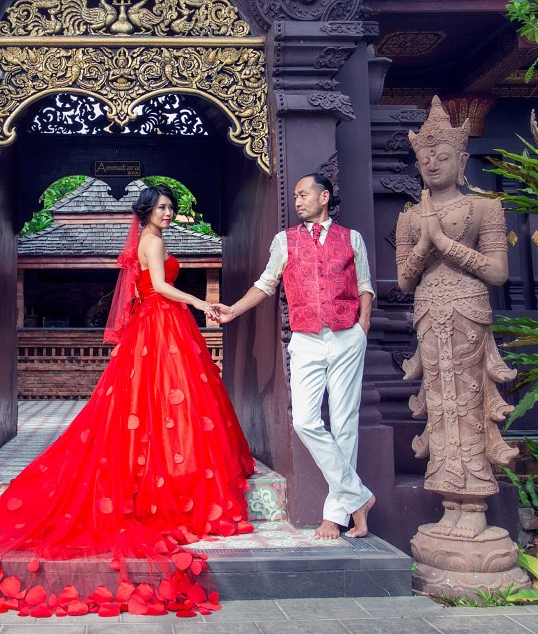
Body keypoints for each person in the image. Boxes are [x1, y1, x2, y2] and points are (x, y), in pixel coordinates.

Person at [0, 184, 255, 616]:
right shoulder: (153, 241)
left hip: (156, 326)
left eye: (171, 207)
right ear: (146, 212)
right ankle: (171, 473)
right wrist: (204, 303)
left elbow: (139, 292)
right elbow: (162, 288)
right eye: (162, 207)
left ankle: (162, 467)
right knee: (170, 402)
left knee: (158, 405)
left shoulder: (145, 240)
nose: (168, 213)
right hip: (164, 323)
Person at [215, 173, 375, 539]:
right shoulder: (284, 241)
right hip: (306, 339)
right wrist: (232, 311)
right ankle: (358, 496)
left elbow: (364, 286)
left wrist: (362, 325)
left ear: (324, 197)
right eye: (296, 196)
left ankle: (336, 515)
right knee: (305, 420)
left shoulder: (351, 238)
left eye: (304, 195)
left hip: (347, 335)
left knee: (344, 422)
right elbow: (265, 284)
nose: (298, 201)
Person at [395, 98, 517, 540]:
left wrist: (442, 242)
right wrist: (426, 241)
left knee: (468, 401)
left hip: (468, 308)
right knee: (441, 403)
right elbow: (405, 281)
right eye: (425, 158)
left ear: (461, 160)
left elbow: (498, 272)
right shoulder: (409, 217)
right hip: (428, 312)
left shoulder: (486, 208)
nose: (432, 164)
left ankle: (476, 504)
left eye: (443, 157)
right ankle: (449, 502)